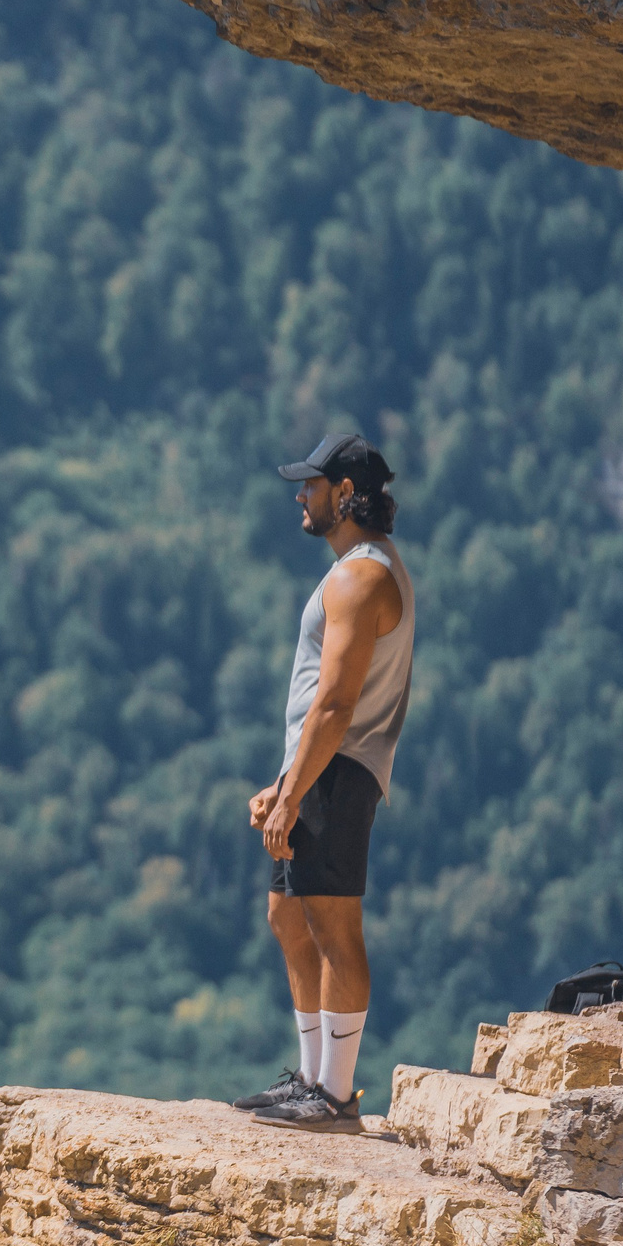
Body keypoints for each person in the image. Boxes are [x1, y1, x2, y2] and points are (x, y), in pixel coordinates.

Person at [229, 432, 415, 1134]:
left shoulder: (363, 575)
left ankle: (334, 1094)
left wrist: (298, 788)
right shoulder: (356, 569)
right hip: (317, 770)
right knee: (290, 914)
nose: (299, 496)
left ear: (345, 493)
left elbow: (336, 704)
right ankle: (311, 1078)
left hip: (341, 769)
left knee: (334, 922)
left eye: (311, 484)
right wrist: (282, 786)